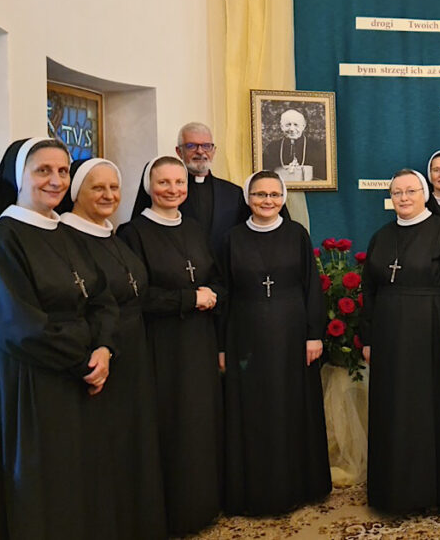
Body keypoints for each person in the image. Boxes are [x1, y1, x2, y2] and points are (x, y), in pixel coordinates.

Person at [0, 138, 118, 539]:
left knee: (79, 474)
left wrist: (104, 348)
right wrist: (84, 360)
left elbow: (102, 298)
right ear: (19, 177)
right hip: (29, 374)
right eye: (43, 170)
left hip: (78, 367)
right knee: (42, 477)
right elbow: (18, 325)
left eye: (63, 171)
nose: (56, 180)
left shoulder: (65, 232)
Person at [60, 158, 168, 540]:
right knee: (106, 448)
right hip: (99, 354)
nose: (109, 195)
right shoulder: (67, 237)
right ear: (77, 192)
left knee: (133, 444)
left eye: (114, 187)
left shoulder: (111, 233)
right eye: (98, 188)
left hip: (133, 348)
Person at [117, 155, 225, 536]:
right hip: (162, 346)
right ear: (149, 186)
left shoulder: (193, 228)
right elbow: (136, 297)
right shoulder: (132, 233)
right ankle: (174, 514)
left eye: (179, 183)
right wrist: (189, 299)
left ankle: (204, 507)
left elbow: (214, 277)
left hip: (200, 340)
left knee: (201, 423)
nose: (173, 189)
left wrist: (213, 294)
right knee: (173, 424)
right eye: (164, 182)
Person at [361, 169, 440, 513]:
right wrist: (368, 338)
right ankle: (390, 491)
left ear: (425, 194)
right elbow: (369, 291)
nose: (404, 198)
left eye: (411, 191)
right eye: (397, 192)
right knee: (391, 409)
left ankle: (427, 492)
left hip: (431, 333)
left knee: (425, 411)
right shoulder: (381, 236)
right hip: (388, 336)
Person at [219, 170, 331, 515]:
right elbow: (224, 293)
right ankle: (255, 492)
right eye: (259, 194)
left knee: (291, 408)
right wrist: (221, 345)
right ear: (248, 198)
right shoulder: (232, 238)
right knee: (254, 413)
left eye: (274, 194)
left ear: (283, 198)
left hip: (293, 335)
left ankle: (298, 486)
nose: (267, 201)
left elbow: (312, 287)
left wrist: (314, 334)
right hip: (245, 337)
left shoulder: (297, 234)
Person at [131, 122, 249, 253]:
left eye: (206, 146)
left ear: (214, 150)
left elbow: (242, 238)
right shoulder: (168, 193)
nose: (200, 151)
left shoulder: (233, 193)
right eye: (191, 146)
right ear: (179, 152)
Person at [262, 109, 328, 182]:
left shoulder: (316, 147)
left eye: (296, 125)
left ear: (303, 126)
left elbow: (323, 177)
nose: (292, 129)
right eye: (288, 125)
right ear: (281, 126)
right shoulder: (272, 148)